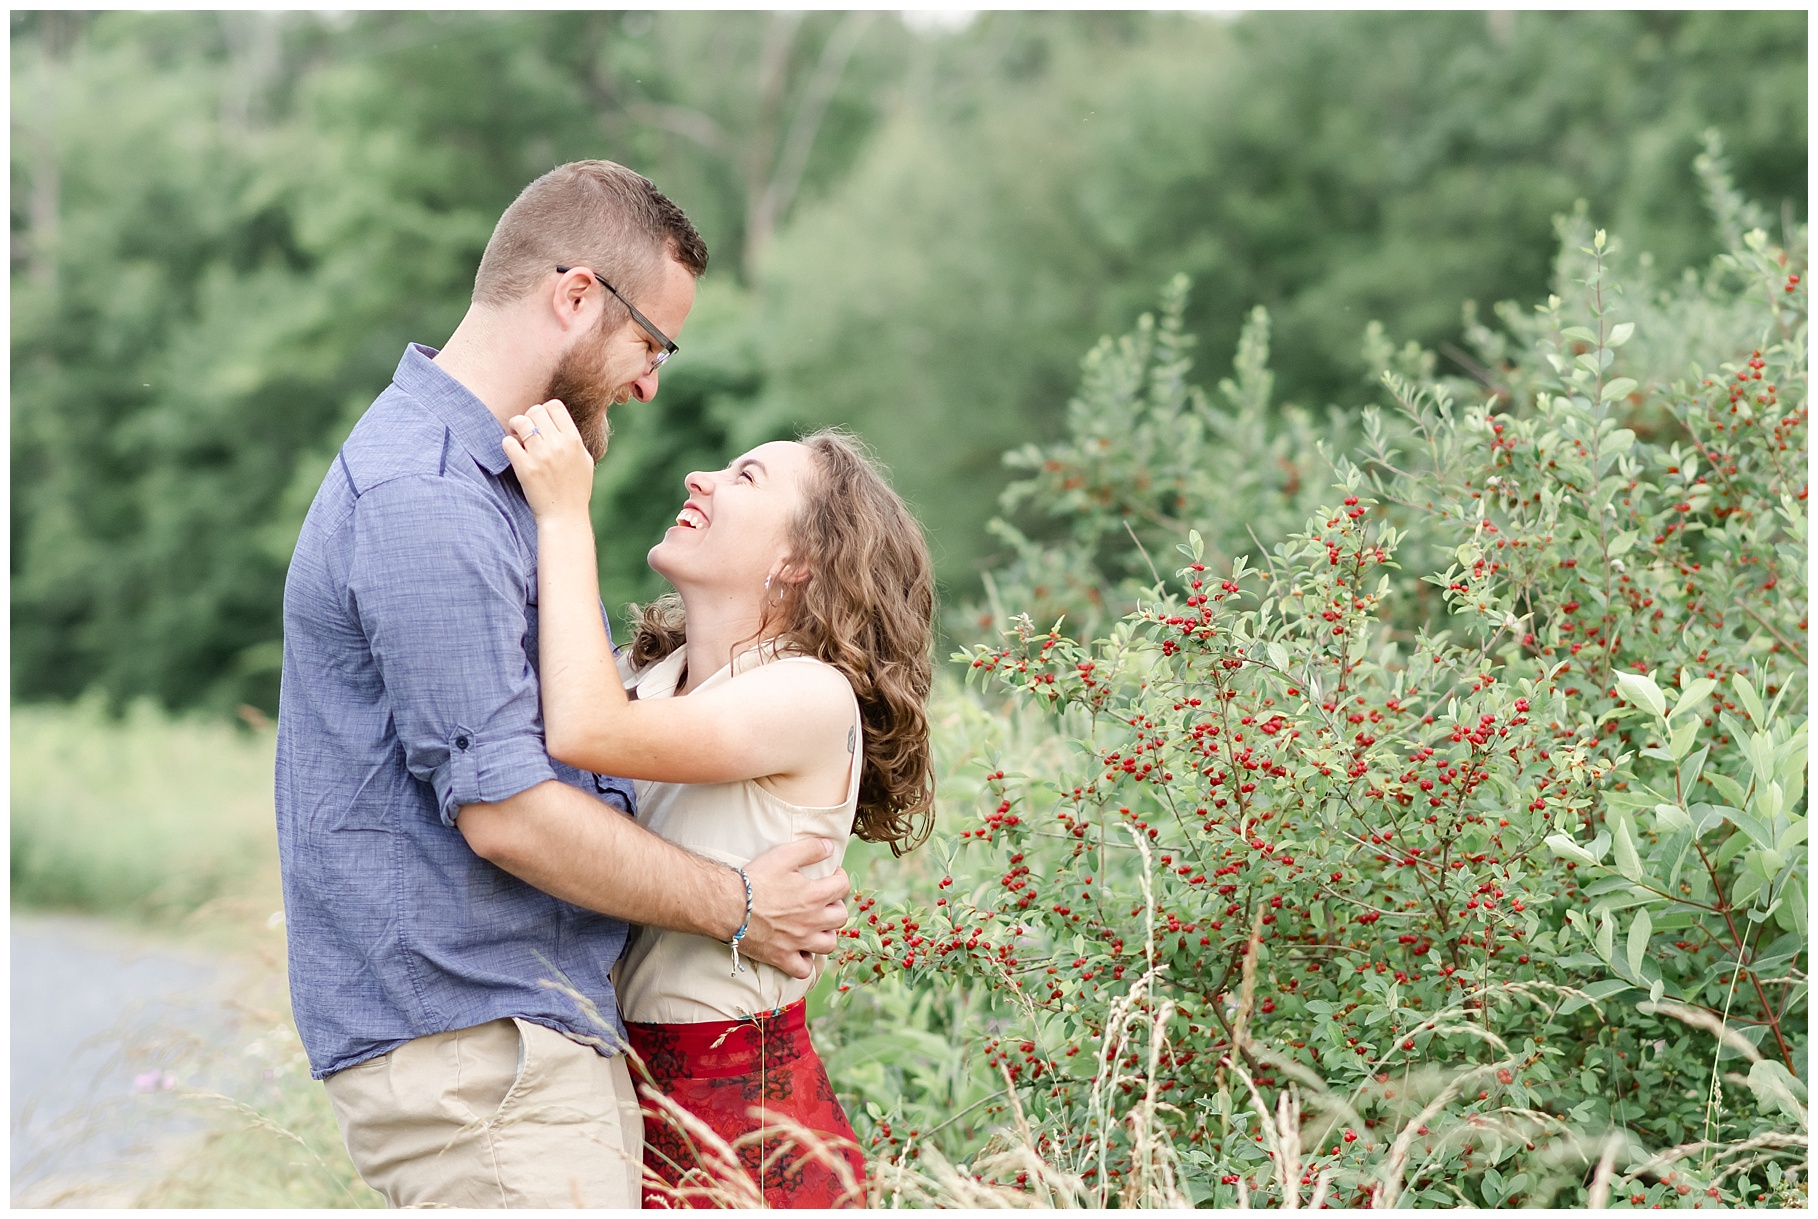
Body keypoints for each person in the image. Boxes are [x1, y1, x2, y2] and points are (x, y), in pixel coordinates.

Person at [274, 160, 851, 1209]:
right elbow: (509, 816)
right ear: (577, 296)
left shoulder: (500, 487)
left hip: (516, 1049)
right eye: (651, 343)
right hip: (480, 1060)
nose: (649, 383)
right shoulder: (430, 499)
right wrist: (741, 905)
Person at [501, 397, 935, 1208]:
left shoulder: (809, 695)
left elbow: (585, 729)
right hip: (615, 1087)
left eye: (746, 475)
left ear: (801, 558)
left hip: (745, 1112)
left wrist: (563, 514)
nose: (700, 477)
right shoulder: (647, 679)